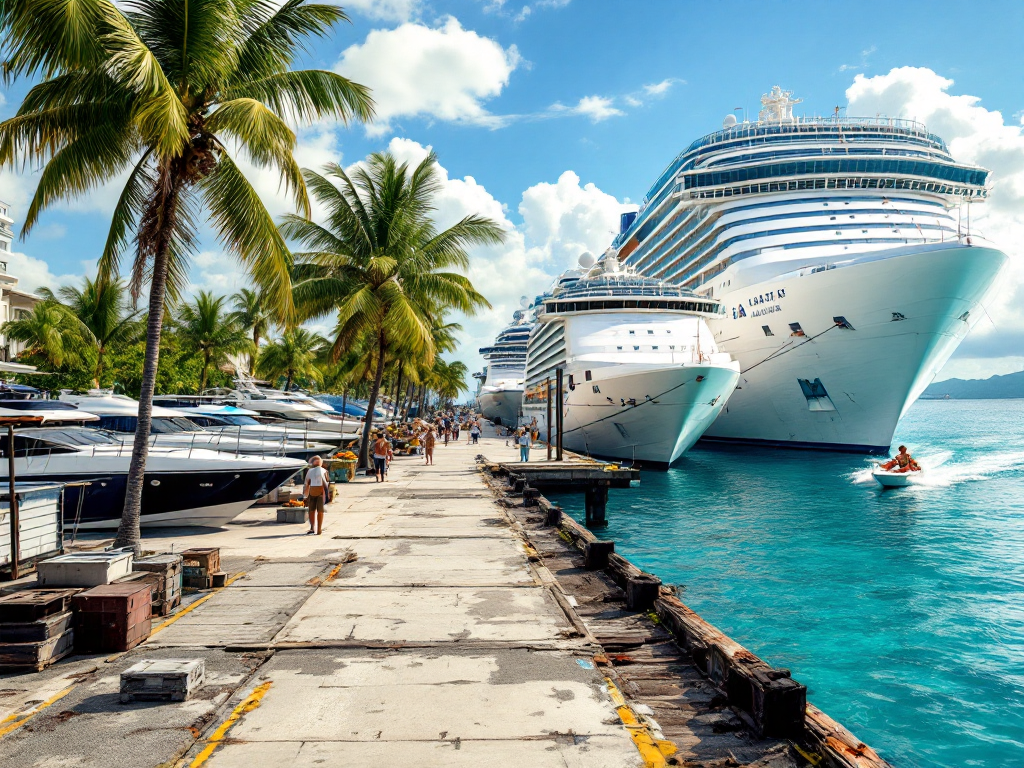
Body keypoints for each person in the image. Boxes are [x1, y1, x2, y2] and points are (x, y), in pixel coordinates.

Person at [303, 456, 330, 535]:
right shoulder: (324, 471)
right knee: (320, 511)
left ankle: (312, 527)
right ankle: (319, 529)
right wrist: (328, 494)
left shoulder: (309, 471)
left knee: (312, 510)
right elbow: (327, 483)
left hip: (312, 492)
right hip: (321, 492)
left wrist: (305, 496)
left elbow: (306, 484)